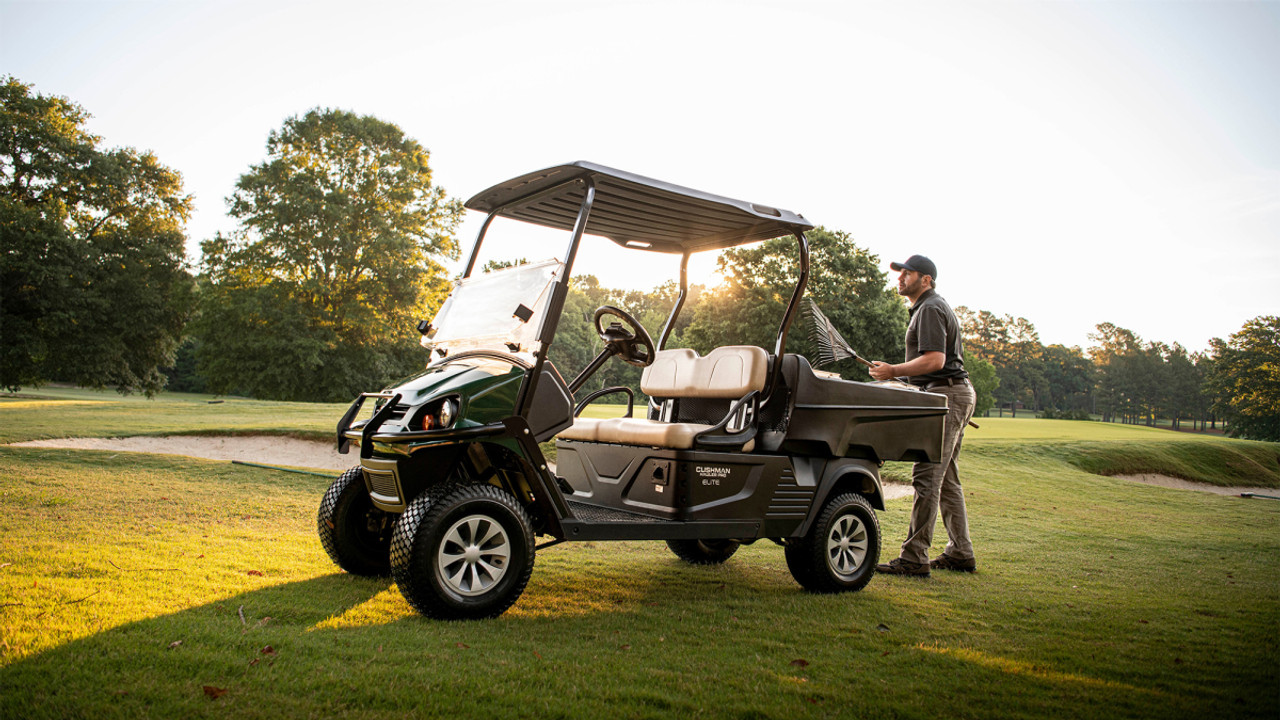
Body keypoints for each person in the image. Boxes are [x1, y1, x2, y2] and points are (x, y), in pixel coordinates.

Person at [869, 255, 977, 577]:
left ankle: (914, 557)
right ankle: (960, 552)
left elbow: (934, 360)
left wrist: (894, 370)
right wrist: (897, 378)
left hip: (947, 393)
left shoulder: (930, 308)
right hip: (953, 392)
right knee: (948, 480)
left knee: (927, 476)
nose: (901, 277)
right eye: (900, 273)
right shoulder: (927, 307)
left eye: (908, 273)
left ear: (926, 279)